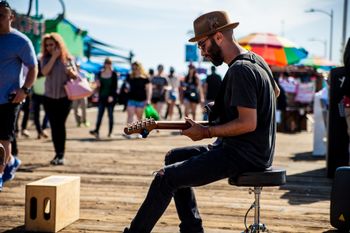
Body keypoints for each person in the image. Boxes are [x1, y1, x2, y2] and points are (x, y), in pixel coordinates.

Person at [123, 10, 279, 233]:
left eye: (202, 44)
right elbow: (275, 93)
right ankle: (192, 229)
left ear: (218, 37)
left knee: (164, 178)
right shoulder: (257, 60)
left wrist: (207, 132)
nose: (201, 51)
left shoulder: (240, 70)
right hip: (251, 149)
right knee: (173, 158)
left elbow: (248, 124)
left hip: (244, 155)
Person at [0, 0, 38, 190]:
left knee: (3, 139)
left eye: (1, 16)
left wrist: (25, 90)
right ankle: (12, 161)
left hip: (9, 98)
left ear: (11, 17)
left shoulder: (21, 41)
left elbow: (33, 67)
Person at [41, 32, 78, 165]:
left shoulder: (68, 58)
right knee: (54, 126)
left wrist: (71, 72)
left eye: (52, 44)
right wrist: (54, 57)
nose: (49, 47)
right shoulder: (44, 58)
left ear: (58, 44)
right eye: (47, 45)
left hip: (64, 98)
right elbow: (44, 72)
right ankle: (57, 153)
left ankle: (60, 155)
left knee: (60, 125)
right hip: (49, 97)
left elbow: (75, 76)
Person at [89, 58, 118, 139]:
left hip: (111, 98)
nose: (108, 65)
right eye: (106, 63)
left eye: (109, 63)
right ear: (104, 64)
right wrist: (95, 89)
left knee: (110, 115)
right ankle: (96, 131)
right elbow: (97, 85)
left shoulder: (114, 74)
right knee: (100, 115)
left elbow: (115, 87)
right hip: (102, 97)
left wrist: (112, 96)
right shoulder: (99, 73)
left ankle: (110, 132)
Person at [124, 61, 152, 139]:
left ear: (140, 67)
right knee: (130, 116)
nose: (134, 69)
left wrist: (148, 99)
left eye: (136, 67)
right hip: (131, 99)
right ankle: (129, 132)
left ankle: (140, 132)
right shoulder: (129, 77)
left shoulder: (145, 78)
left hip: (141, 100)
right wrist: (126, 89)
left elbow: (148, 89)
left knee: (139, 117)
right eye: (133, 67)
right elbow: (126, 86)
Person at [72, 62, 90, 128]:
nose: (77, 67)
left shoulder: (83, 73)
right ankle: (78, 122)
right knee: (75, 108)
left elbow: (87, 82)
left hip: (83, 94)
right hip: (75, 94)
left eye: (78, 65)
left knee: (84, 108)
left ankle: (84, 121)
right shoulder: (72, 73)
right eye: (76, 65)